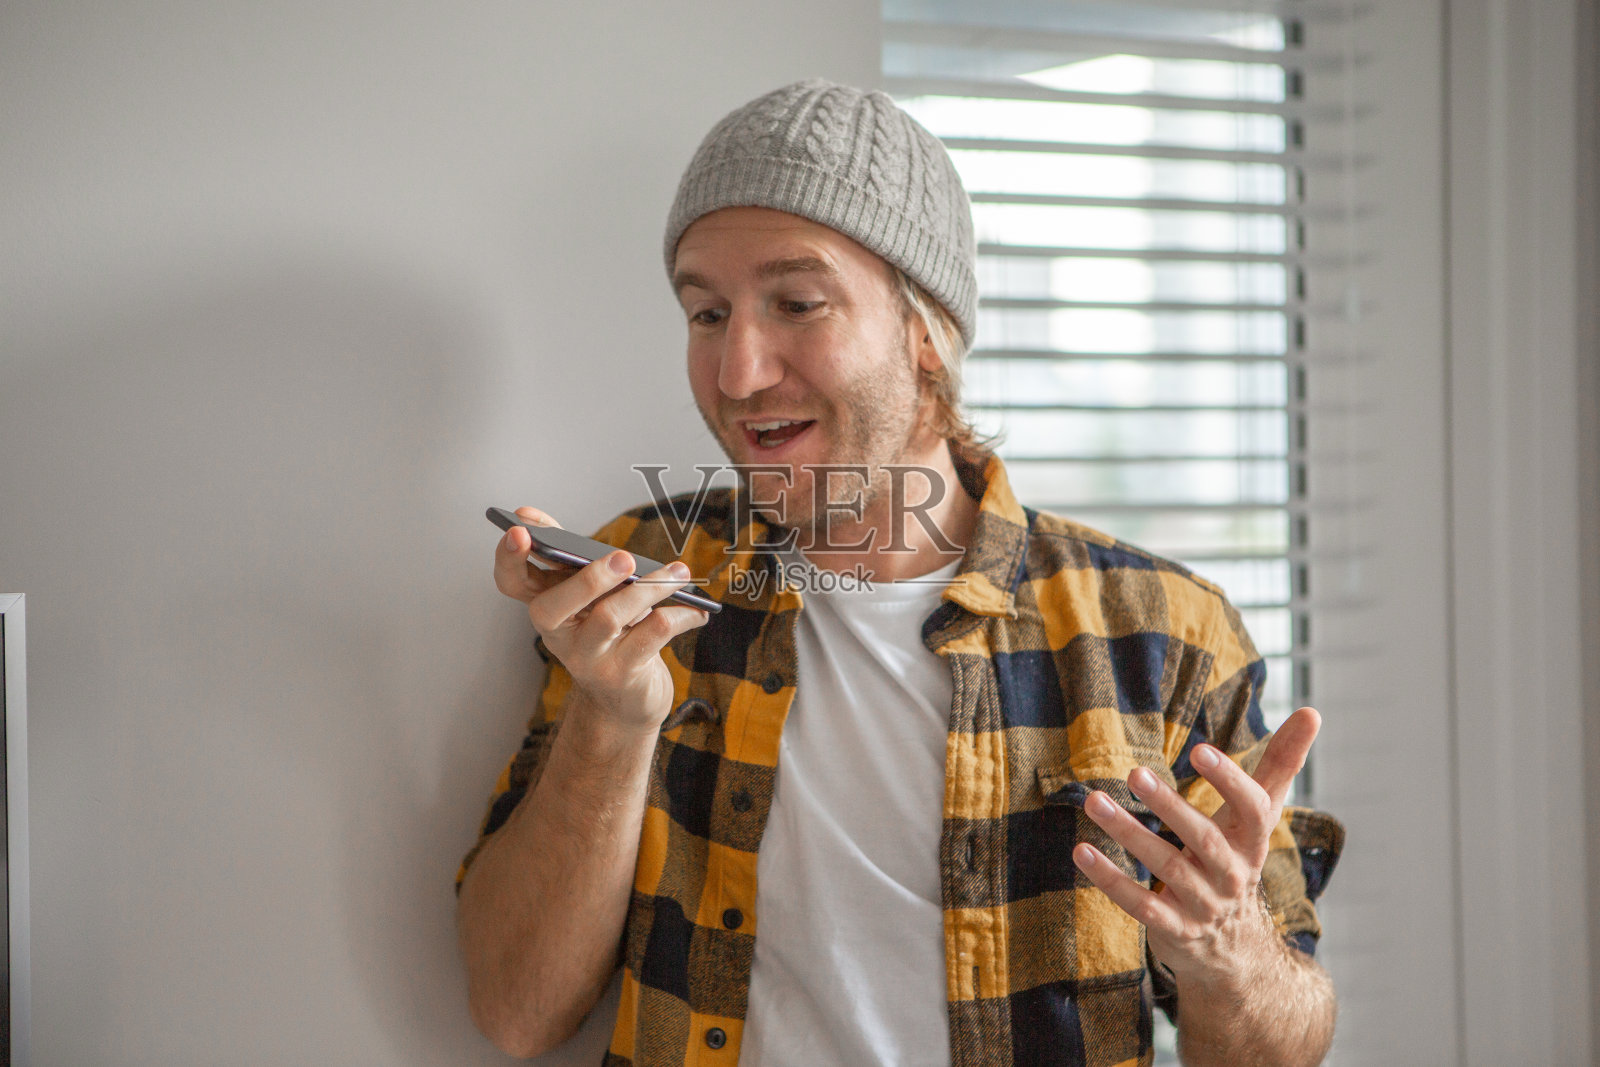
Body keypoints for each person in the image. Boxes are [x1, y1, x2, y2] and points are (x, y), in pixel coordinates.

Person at [455, 79, 1344, 1067]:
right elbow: (517, 1009)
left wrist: (1227, 951)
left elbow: (1280, 1048)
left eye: (796, 302)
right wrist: (615, 718)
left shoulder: (1163, 632)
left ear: (926, 334)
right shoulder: (641, 586)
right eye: (707, 313)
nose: (738, 370)